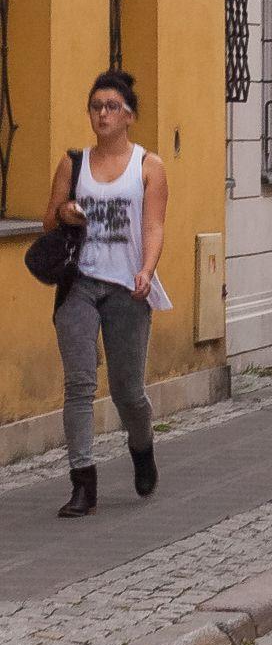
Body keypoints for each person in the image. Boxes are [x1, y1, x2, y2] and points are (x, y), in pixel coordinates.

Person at [42, 69, 170, 519]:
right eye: (96, 106)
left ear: (129, 115)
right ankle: (82, 482)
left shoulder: (148, 166)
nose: (103, 114)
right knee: (79, 384)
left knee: (127, 392)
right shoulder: (73, 164)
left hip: (126, 289)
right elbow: (48, 221)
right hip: (79, 284)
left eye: (112, 106)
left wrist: (147, 270)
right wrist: (67, 211)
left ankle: (142, 447)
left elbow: (153, 226)